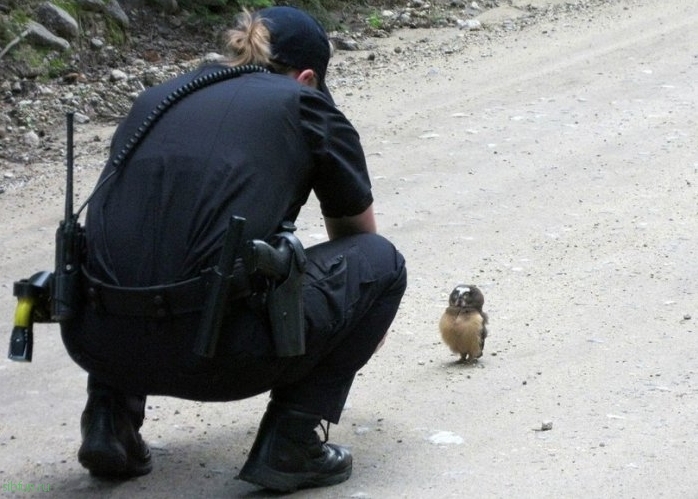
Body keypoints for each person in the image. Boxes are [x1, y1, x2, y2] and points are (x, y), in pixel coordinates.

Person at [58, 5, 407, 493]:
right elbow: (358, 237)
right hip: (216, 357)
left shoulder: (156, 99)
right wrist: (356, 317)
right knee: (382, 264)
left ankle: (108, 422)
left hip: (95, 341)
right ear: (307, 77)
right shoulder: (305, 104)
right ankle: (293, 443)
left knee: (146, 242)